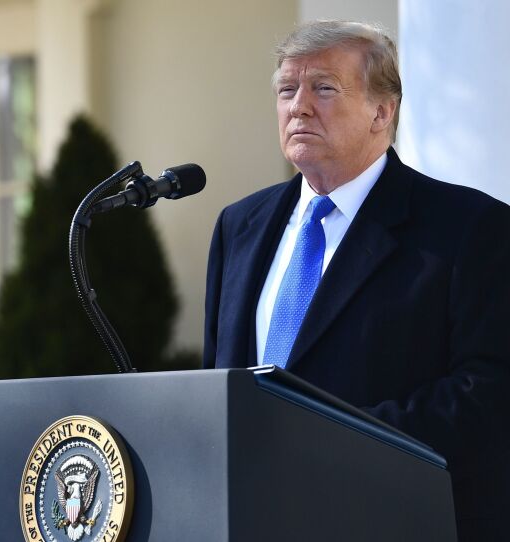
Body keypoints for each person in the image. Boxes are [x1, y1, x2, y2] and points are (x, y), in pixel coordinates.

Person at [202, 20, 510, 540]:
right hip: (253, 519)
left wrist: (330, 441)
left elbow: (486, 394)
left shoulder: (468, 227)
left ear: (382, 111)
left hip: (392, 519)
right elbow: (218, 378)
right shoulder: (240, 226)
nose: (299, 107)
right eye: (286, 89)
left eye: (323, 88)